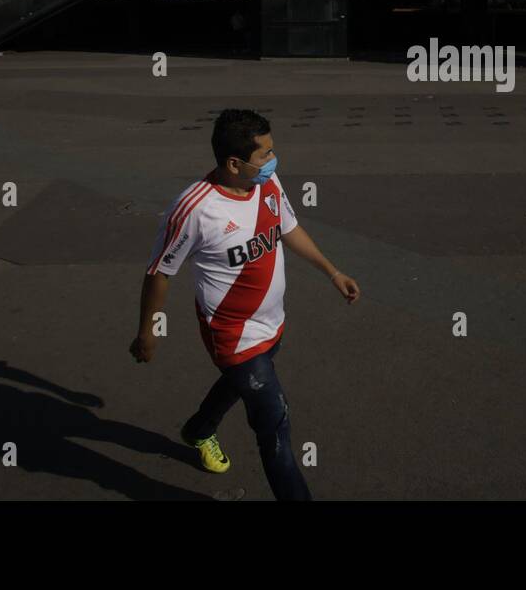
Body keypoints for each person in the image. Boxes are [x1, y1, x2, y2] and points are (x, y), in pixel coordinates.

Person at [130, 109, 360, 500]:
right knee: (275, 425)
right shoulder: (195, 209)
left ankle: (200, 429)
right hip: (233, 335)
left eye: (273, 151)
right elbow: (159, 272)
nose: (273, 160)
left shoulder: (266, 184)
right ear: (233, 163)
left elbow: (289, 228)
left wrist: (332, 271)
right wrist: (148, 332)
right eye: (264, 154)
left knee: (244, 382)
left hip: (272, 323)